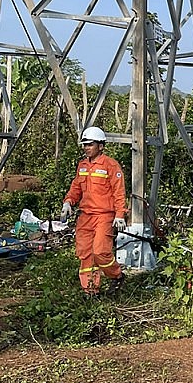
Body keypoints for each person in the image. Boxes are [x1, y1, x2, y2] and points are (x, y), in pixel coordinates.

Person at [61, 126, 127, 295]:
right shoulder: (82, 166)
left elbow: (119, 192)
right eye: (85, 145)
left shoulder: (110, 166)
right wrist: (68, 202)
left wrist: (120, 214)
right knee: (85, 254)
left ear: (101, 146)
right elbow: (76, 187)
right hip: (85, 217)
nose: (86, 148)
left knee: (100, 251)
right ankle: (90, 291)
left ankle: (117, 276)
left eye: (90, 144)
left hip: (104, 216)